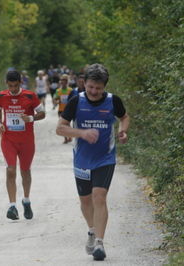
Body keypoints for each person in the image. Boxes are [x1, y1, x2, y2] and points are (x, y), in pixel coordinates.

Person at [56, 63, 129, 261]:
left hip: (105, 158)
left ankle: (99, 243)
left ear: (104, 86)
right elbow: (60, 128)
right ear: (84, 83)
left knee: (99, 196)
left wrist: (123, 130)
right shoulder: (75, 101)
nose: (94, 91)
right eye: (90, 87)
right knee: (85, 200)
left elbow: (124, 117)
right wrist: (81, 133)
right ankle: (91, 229)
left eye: (98, 88)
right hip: (82, 159)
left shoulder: (113, 101)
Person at [0, 70, 45, 220]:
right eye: (10, 86)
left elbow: (42, 113)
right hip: (8, 140)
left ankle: (26, 201)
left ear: (20, 83)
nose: (13, 89)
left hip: (27, 141)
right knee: (10, 170)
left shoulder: (30, 96)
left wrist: (30, 118)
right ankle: (12, 206)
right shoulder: (3, 96)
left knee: (25, 171)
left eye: (16, 86)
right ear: (6, 84)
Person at [54, 74, 73, 143]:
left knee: (67, 124)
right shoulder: (58, 91)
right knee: (61, 125)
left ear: (67, 82)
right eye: (62, 80)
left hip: (68, 110)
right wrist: (56, 101)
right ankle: (65, 138)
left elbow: (73, 100)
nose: (63, 82)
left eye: (65, 80)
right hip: (61, 110)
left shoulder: (70, 90)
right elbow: (55, 99)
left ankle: (70, 136)